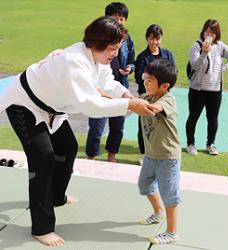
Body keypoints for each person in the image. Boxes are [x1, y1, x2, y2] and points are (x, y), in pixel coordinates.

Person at [0, 16, 157, 247]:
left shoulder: (96, 58)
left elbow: (107, 83)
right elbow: (90, 106)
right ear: (98, 44)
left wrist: (126, 95)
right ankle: (42, 227)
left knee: (67, 147)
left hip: (52, 107)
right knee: (43, 158)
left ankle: (55, 197)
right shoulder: (74, 61)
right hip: (24, 103)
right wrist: (130, 105)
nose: (115, 53)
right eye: (113, 48)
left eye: (117, 48)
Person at [138, 59, 181, 244]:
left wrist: (137, 105)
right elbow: (127, 100)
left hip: (167, 157)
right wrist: (104, 95)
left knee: (169, 194)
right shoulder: (145, 97)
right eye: (144, 78)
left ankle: (172, 232)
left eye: (150, 80)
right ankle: (158, 212)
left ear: (164, 86)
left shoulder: (167, 99)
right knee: (144, 186)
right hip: (150, 155)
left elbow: (156, 109)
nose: (145, 83)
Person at [86, 2, 135, 163]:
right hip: (98, 93)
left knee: (117, 128)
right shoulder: (93, 50)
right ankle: (90, 157)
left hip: (116, 86)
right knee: (96, 129)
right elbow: (93, 91)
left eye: (122, 19)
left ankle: (111, 156)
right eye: (116, 18)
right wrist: (127, 103)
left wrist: (129, 69)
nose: (114, 53)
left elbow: (130, 61)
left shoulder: (127, 39)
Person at [186, 19, 228, 156]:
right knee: (193, 117)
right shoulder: (196, 46)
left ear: (216, 34)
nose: (209, 34)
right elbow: (195, 65)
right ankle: (190, 144)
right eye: (207, 31)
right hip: (198, 90)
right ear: (203, 31)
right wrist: (204, 53)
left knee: (213, 118)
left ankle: (210, 144)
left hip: (215, 91)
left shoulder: (221, 46)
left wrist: (222, 69)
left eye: (212, 32)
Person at [135, 24, 175, 164]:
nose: (155, 42)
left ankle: (159, 151)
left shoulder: (167, 54)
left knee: (160, 127)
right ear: (147, 39)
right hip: (146, 95)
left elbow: (172, 71)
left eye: (158, 39)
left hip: (161, 96)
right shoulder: (142, 56)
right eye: (152, 39)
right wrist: (149, 79)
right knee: (144, 126)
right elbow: (138, 75)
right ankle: (144, 153)